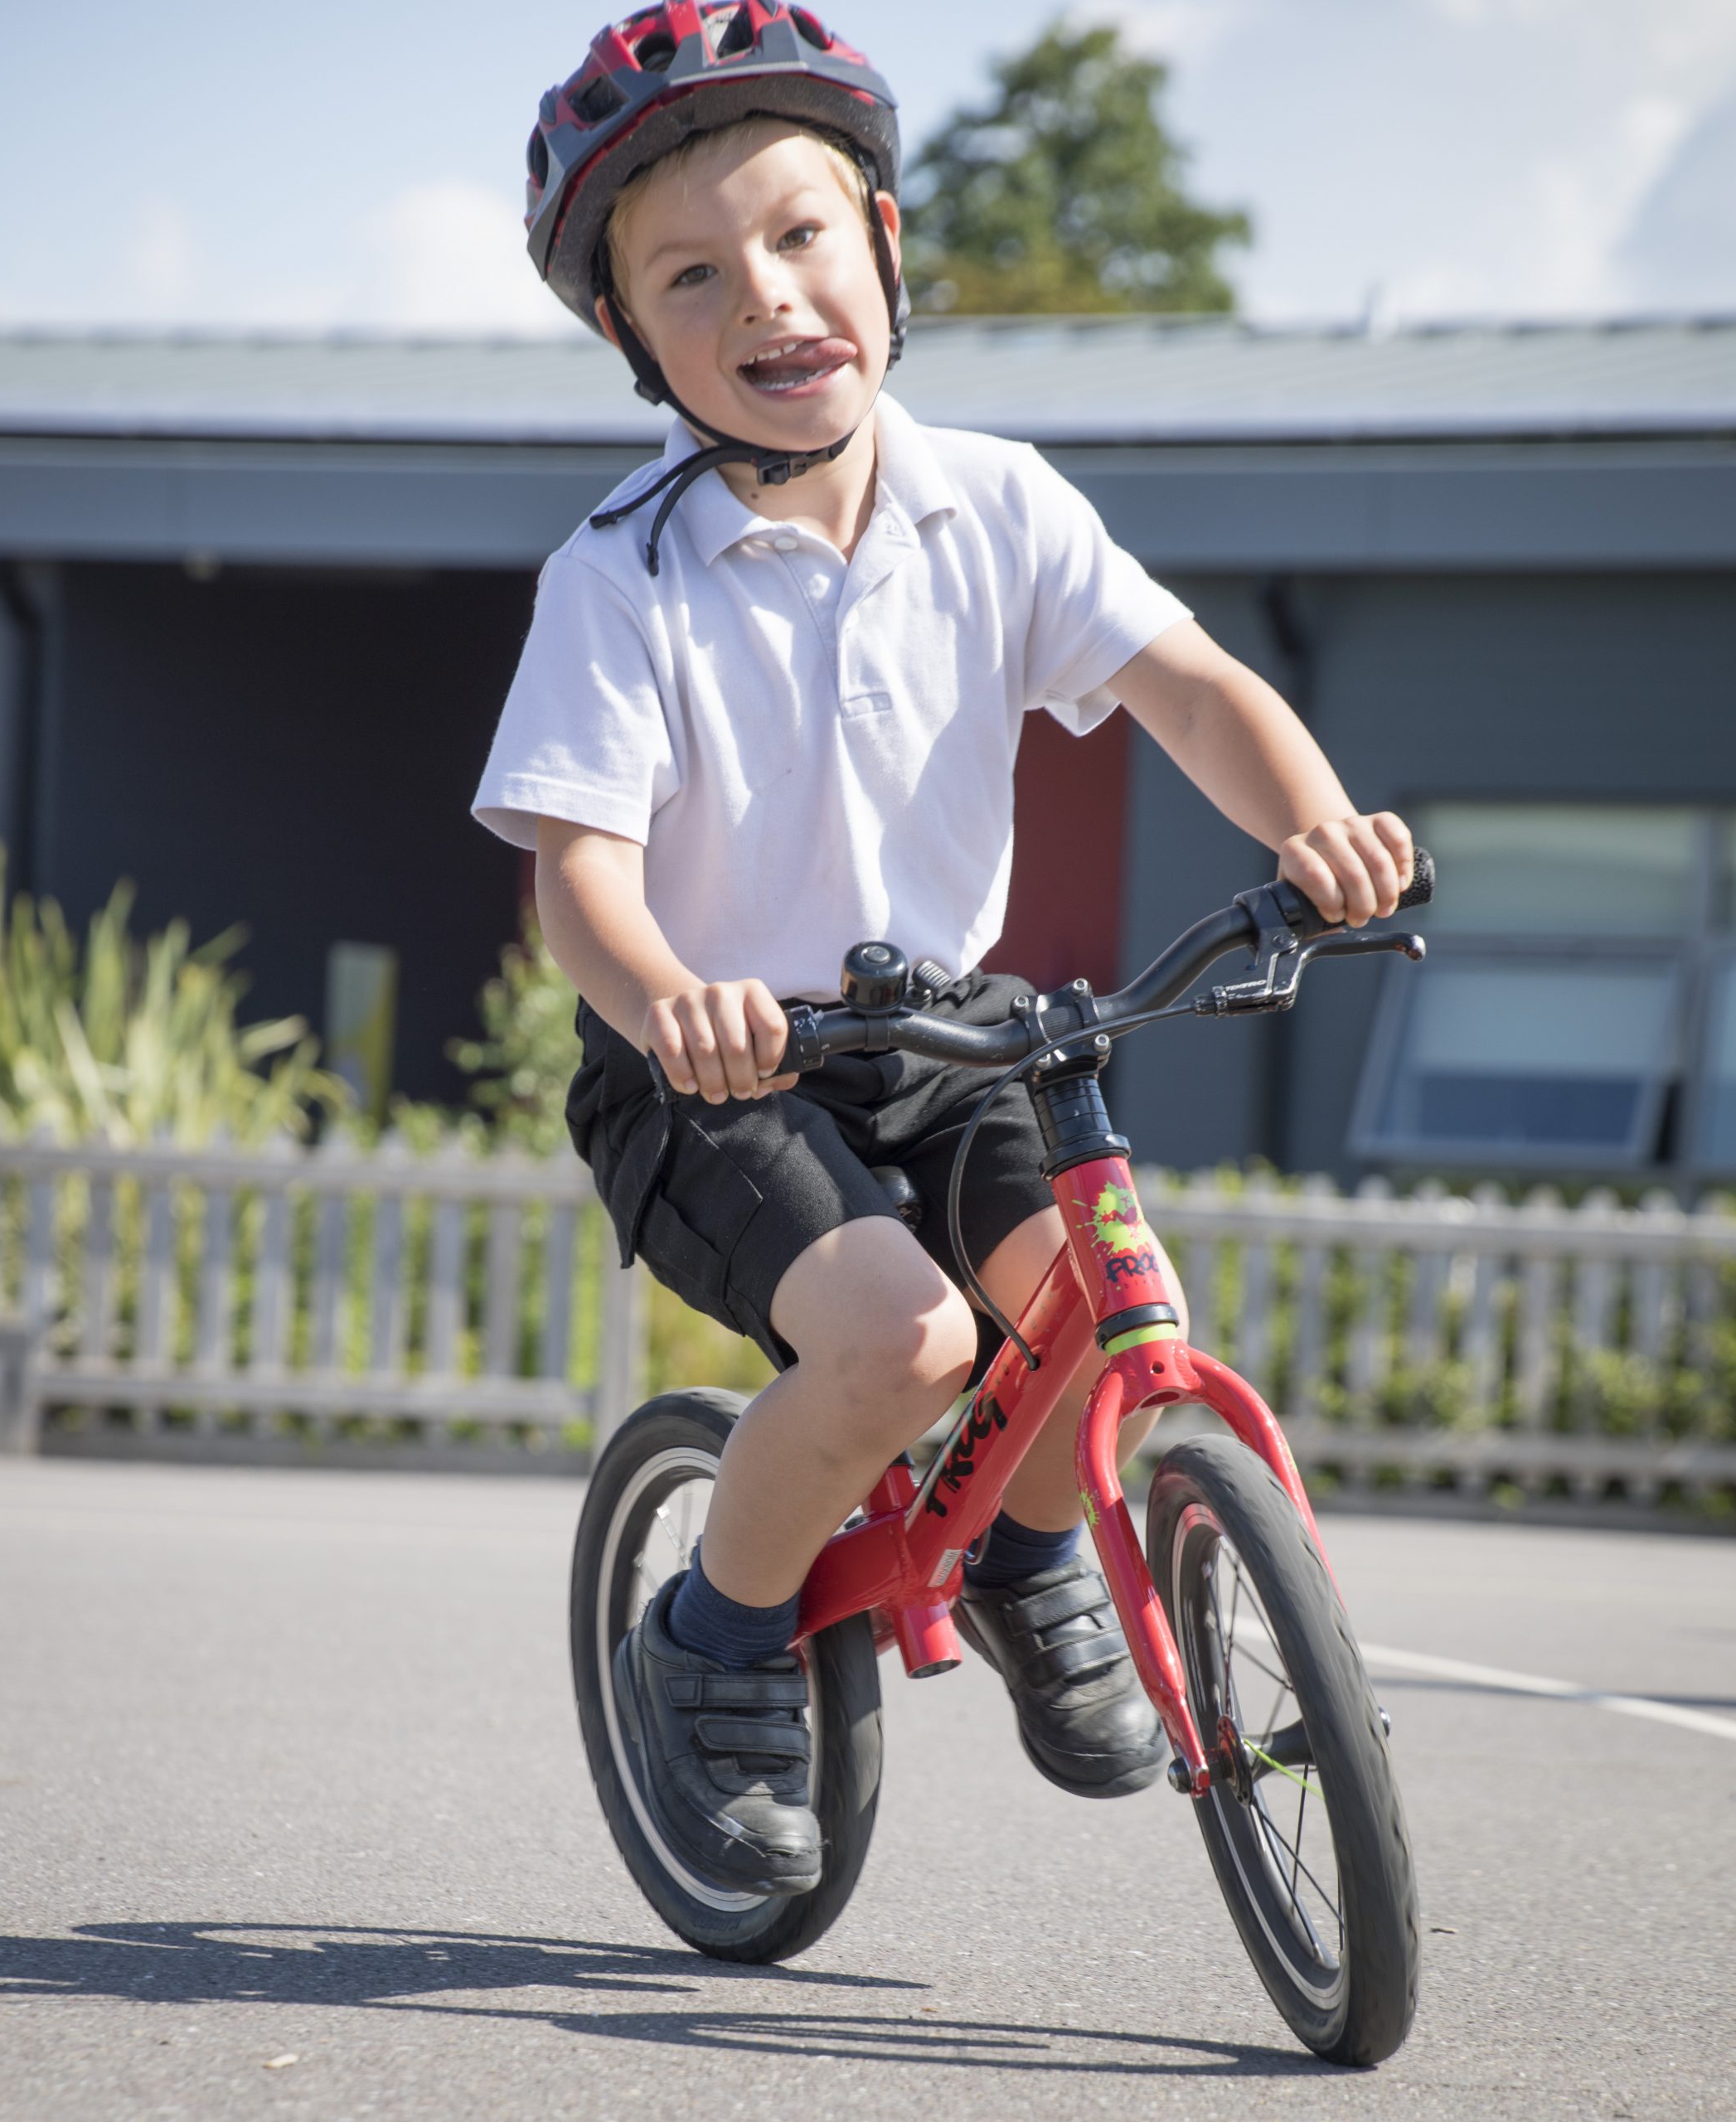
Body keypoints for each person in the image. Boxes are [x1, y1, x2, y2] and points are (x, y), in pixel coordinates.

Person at [474, 2, 1413, 1899]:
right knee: (907, 1341)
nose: (769, 295)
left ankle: (1029, 1548)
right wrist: (670, 997)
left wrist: (1309, 822)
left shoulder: (997, 501)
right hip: (713, 1061)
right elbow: (574, 876)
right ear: (629, 337)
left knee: (1090, 1297)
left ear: (885, 245)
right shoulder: (619, 576)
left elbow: (1191, 686)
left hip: (955, 1029)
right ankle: (714, 1635)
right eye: (693, 273)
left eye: (803, 235)